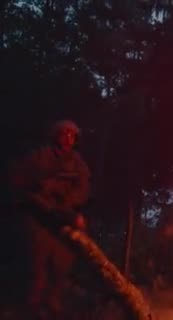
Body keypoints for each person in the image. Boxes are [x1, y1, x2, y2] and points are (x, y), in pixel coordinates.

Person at [10, 119, 90, 319]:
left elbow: (83, 190)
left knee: (61, 263)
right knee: (38, 263)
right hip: (39, 218)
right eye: (64, 134)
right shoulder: (41, 157)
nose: (68, 138)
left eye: (72, 135)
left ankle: (53, 303)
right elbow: (20, 180)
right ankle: (33, 306)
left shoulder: (78, 163)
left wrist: (66, 203)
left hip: (63, 219)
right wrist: (42, 194)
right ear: (56, 135)